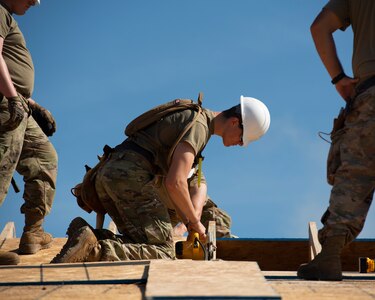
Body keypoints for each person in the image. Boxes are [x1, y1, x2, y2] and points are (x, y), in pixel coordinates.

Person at [51, 95, 270, 263]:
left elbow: (194, 182)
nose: (240, 144)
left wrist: (189, 224)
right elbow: (175, 182)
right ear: (234, 122)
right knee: (164, 252)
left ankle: (88, 236)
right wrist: (194, 224)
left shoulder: (195, 119)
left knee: (139, 243)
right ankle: (92, 250)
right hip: (129, 178)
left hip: (108, 176)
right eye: (243, 138)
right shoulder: (199, 127)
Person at [298, 0, 375, 281]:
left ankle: (329, 257)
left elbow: (319, 28)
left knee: (354, 175)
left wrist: (339, 78)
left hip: (371, 95)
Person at [0, 0, 57, 265]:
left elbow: (11, 69)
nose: (35, 3)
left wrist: (32, 104)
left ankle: (33, 233)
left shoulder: (8, 16)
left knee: (44, 158)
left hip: (18, 104)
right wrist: (12, 98)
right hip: (6, 103)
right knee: (2, 167)